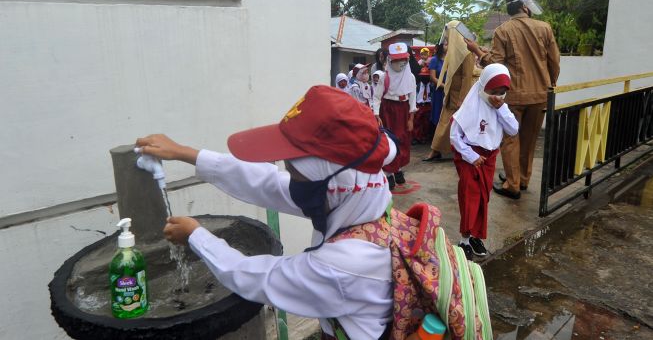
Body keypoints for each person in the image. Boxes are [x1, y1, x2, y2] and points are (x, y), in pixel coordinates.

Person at [136, 86, 397, 340]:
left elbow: (253, 276)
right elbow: (271, 184)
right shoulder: (365, 193)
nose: (291, 182)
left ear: (332, 185)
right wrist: (186, 153)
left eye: (296, 175)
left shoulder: (345, 267)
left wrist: (196, 235)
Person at [465, 0, 560, 199]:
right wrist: (551, 84)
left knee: (510, 139)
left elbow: (496, 64)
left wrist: (478, 52)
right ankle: (523, 179)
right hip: (540, 95)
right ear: (524, 6)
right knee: (529, 139)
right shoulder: (545, 28)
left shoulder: (503, 30)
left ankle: (512, 184)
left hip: (514, 96)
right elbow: (554, 61)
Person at [450, 64, 518, 260]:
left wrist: (501, 108)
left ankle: (475, 236)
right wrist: (470, 155)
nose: (497, 96)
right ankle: (464, 240)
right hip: (470, 159)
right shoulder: (469, 108)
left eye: (502, 92)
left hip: (488, 159)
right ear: (482, 88)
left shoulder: (499, 108)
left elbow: (513, 129)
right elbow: (455, 136)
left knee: (482, 199)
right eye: (493, 92)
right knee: (469, 198)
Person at [423, 21, 476, 162]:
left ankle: (453, 152)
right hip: (450, 94)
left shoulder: (466, 52)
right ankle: (436, 150)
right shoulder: (453, 51)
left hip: (459, 97)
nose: (446, 39)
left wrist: (462, 98)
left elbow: (467, 76)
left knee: (454, 124)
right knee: (444, 122)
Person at [373, 43, 417, 190]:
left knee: (403, 140)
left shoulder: (410, 77)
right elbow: (377, 97)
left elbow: (412, 97)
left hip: (403, 111)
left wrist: (411, 118)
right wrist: (377, 115)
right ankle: (388, 173)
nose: (400, 63)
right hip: (388, 110)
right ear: (390, 60)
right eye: (397, 60)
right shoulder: (384, 77)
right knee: (389, 141)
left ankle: (397, 169)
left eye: (403, 60)